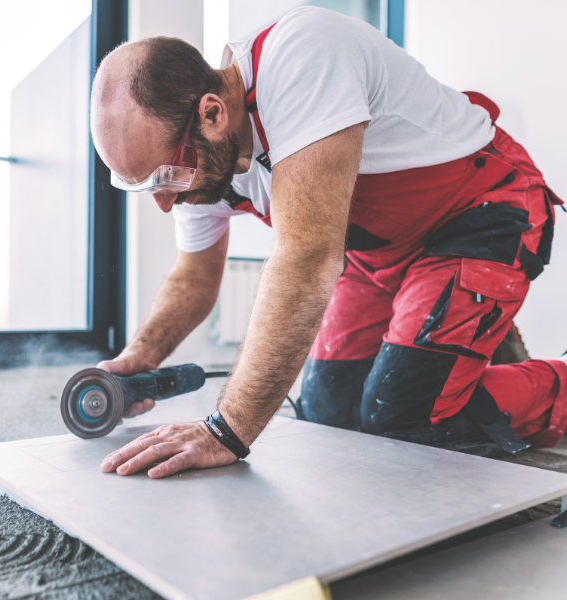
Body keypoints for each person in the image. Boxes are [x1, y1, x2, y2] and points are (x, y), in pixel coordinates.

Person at [89, 7, 567, 479]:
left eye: (164, 178)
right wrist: (142, 355)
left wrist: (226, 429)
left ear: (212, 113)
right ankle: (468, 340)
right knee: (332, 414)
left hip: (482, 210)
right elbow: (193, 274)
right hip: (376, 253)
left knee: (403, 418)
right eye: (145, 187)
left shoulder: (302, 55)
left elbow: (307, 257)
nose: (165, 203)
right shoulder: (202, 164)